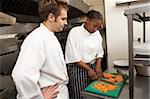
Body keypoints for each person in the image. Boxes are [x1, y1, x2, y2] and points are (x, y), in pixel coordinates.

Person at [11, 0, 69, 99]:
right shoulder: (37, 38)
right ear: (51, 17)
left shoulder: (49, 35)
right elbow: (21, 74)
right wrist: (37, 97)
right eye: (63, 19)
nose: (66, 23)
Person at [65, 10, 104, 99]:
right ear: (87, 20)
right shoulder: (75, 32)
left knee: (93, 94)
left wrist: (98, 67)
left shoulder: (97, 34)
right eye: (94, 26)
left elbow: (99, 51)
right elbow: (73, 56)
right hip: (78, 69)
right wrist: (89, 69)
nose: (95, 29)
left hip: (93, 67)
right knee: (80, 95)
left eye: (98, 27)